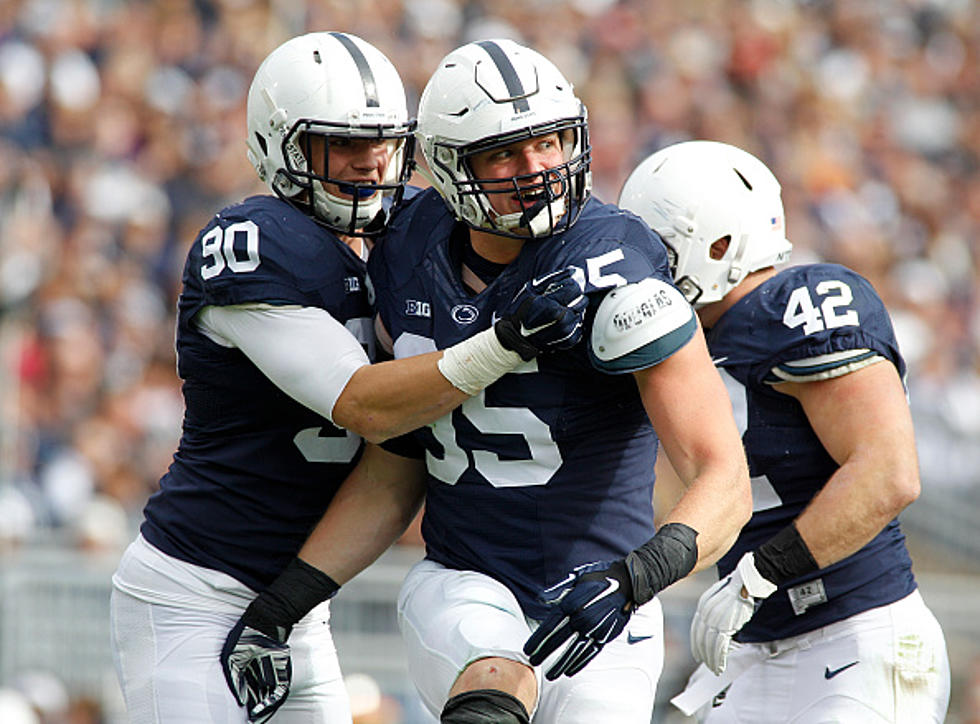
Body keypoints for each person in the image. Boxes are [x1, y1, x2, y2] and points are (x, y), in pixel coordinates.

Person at [228, 38, 753, 724]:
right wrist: (284, 602)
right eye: (503, 153)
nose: (535, 170)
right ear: (447, 165)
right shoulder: (407, 249)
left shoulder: (614, 261)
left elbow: (724, 477)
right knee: (493, 688)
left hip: (607, 601)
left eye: (551, 143)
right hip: (466, 583)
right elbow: (397, 464)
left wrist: (635, 579)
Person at [109, 32, 587, 724]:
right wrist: (505, 342)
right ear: (283, 147)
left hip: (298, 605)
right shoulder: (257, 242)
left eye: (383, 143)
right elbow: (365, 407)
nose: (369, 165)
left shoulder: (403, 244)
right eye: (342, 145)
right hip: (195, 593)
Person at [618, 139, 951, 723]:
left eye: (661, 251)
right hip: (752, 655)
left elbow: (888, 474)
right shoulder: (689, 344)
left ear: (718, 245)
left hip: (855, 638)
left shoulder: (800, 305)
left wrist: (760, 574)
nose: (647, 272)